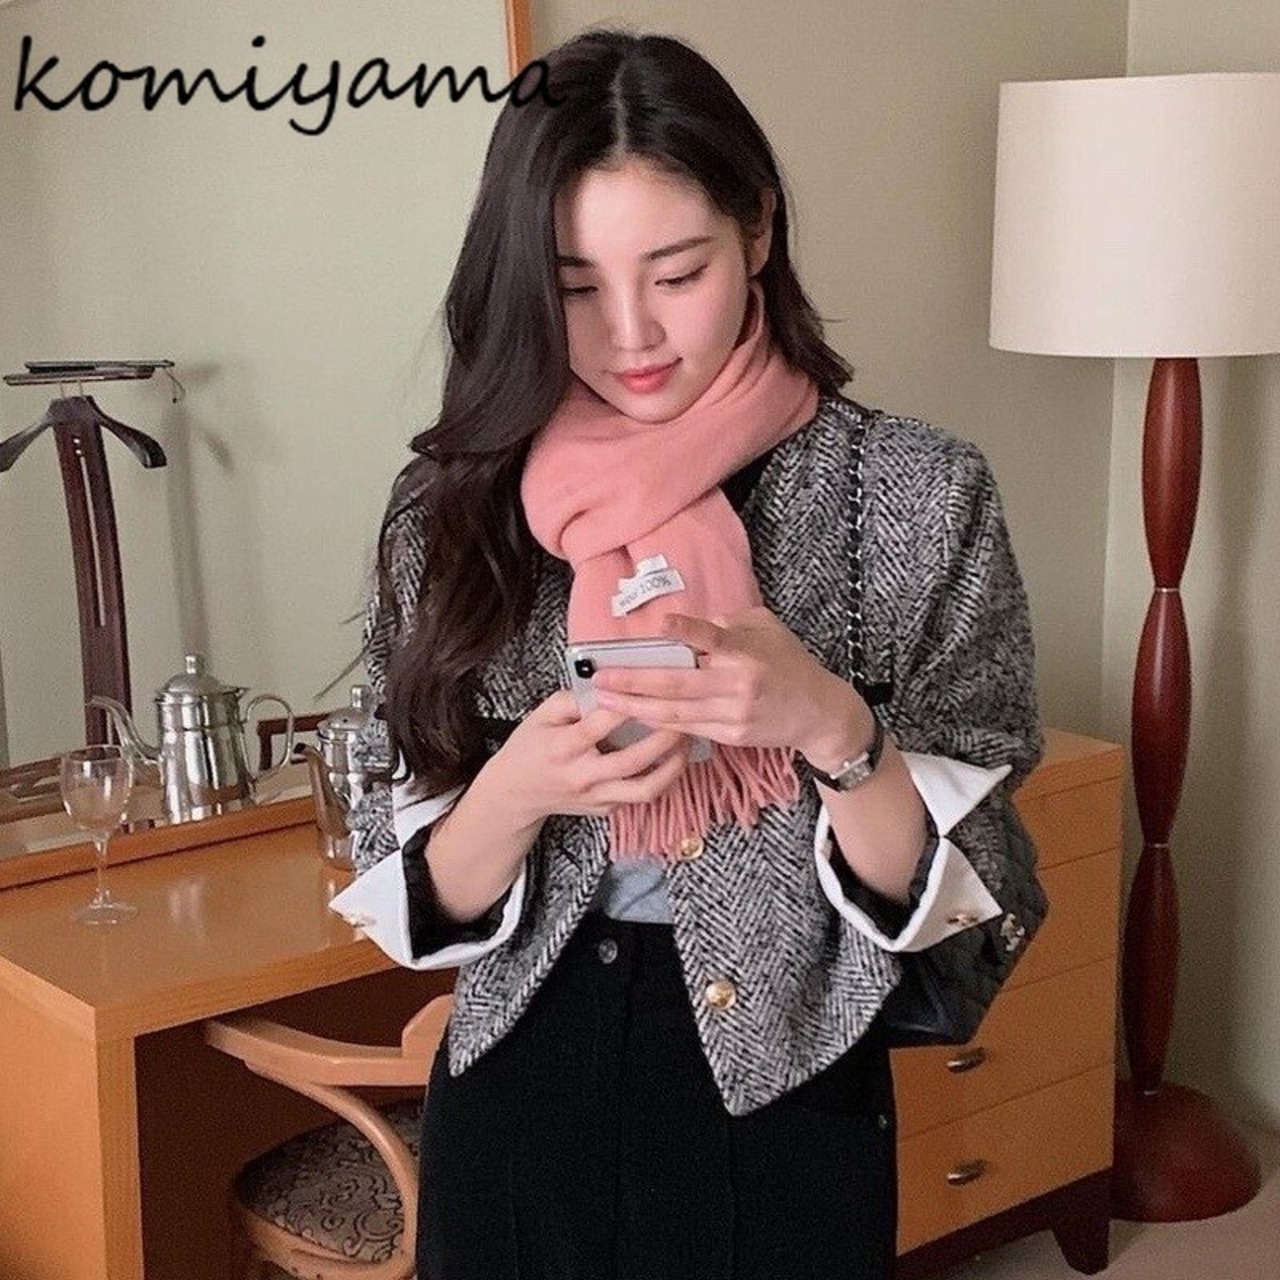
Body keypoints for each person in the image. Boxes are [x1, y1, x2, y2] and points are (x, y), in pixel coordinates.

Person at [336, 27, 1047, 1280]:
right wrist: (515, 791)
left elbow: (969, 890)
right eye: (572, 286)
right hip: (519, 1090)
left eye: (676, 272)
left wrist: (832, 727)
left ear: (756, 230)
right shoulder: (449, 510)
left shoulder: (917, 491)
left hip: (785, 1093)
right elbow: (401, 874)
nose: (630, 334)